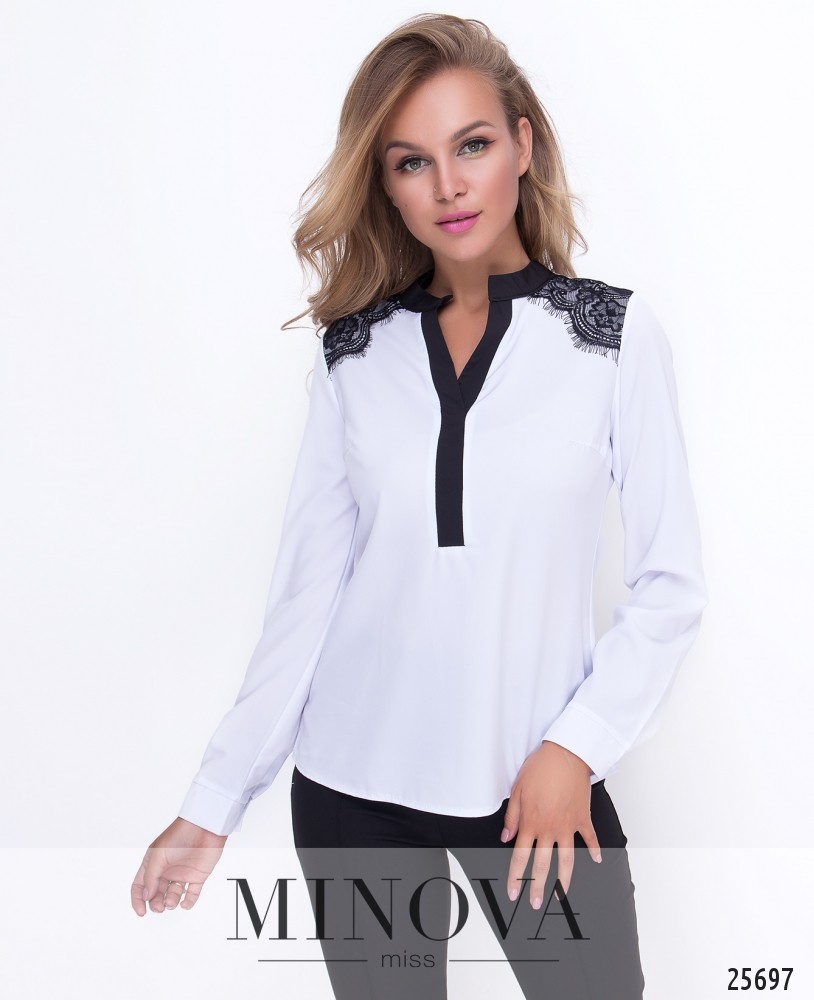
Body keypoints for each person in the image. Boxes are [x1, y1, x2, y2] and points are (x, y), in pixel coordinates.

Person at [130, 13, 708, 999]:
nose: (447, 185)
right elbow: (306, 601)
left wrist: (575, 748)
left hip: (536, 792)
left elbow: (670, 587)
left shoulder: (611, 339)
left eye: (471, 146)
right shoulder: (354, 354)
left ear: (522, 145)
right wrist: (214, 799)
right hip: (353, 793)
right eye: (411, 162)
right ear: (386, 183)